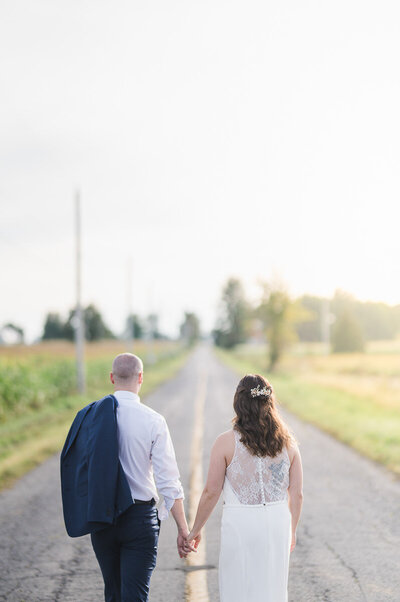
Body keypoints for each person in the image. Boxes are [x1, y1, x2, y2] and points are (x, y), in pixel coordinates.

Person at [61, 353, 193, 602]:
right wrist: (183, 529)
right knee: (135, 596)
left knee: (113, 593)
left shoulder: (89, 417)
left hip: (101, 519)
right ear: (141, 377)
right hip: (139, 520)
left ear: (112, 377)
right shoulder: (154, 420)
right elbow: (168, 482)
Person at [185, 374, 303, 602]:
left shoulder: (225, 442)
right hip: (278, 522)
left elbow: (211, 491)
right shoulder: (289, 444)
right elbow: (296, 494)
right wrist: (293, 529)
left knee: (238, 586)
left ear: (238, 403)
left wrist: (195, 529)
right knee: (272, 588)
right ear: (270, 403)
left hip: (241, 522)